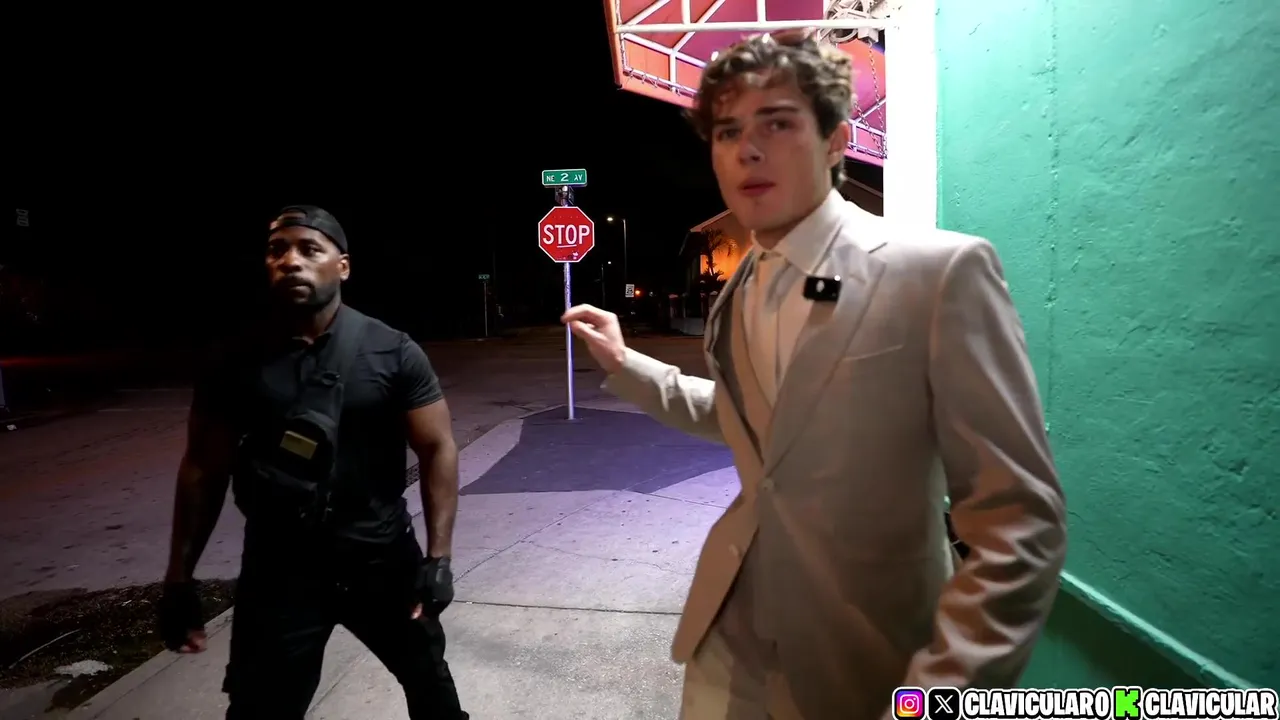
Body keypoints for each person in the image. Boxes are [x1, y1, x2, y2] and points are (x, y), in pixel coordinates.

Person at [563, 32, 1067, 720]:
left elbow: (1019, 524)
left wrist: (937, 696)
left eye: (777, 123)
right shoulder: (741, 281)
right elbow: (749, 420)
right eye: (728, 131)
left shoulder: (936, 272)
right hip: (729, 643)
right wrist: (627, 365)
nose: (747, 150)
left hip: (866, 660)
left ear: (835, 141)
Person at [158, 205, 469, 719]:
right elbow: (203, 468)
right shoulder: (233, 359)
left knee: (432, 692)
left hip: (381, 559)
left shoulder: (391, 350)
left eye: (309, 249)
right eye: (276, 250)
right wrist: (178, 579)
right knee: (260, 709)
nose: (290, 261)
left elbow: (437, 448)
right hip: (280, 569)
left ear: (342, 266)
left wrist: (439, 559)